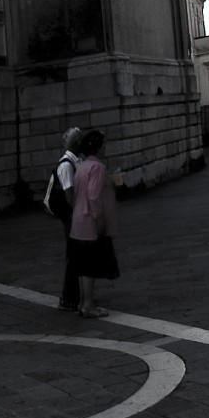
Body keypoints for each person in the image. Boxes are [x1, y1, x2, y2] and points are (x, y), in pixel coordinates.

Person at [68, 129, 120, 318]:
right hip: (90, 220)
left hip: (78, 220)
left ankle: (84, 302)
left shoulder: (82, 166)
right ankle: (89, 304)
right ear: (98, 147)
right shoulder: (97, 168)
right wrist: (100, 220)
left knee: (83, 265)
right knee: (90, 264)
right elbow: (94, 196)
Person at [46, 126, 84, 312]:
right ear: (76, 143)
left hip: (73, 215)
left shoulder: (75, 161)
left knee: (76, 254)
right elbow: (70, 196)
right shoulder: (66, 164)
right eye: (81, 138)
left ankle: (74, 295)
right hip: (71, 216)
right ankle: (68, 298)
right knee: (74, 255)